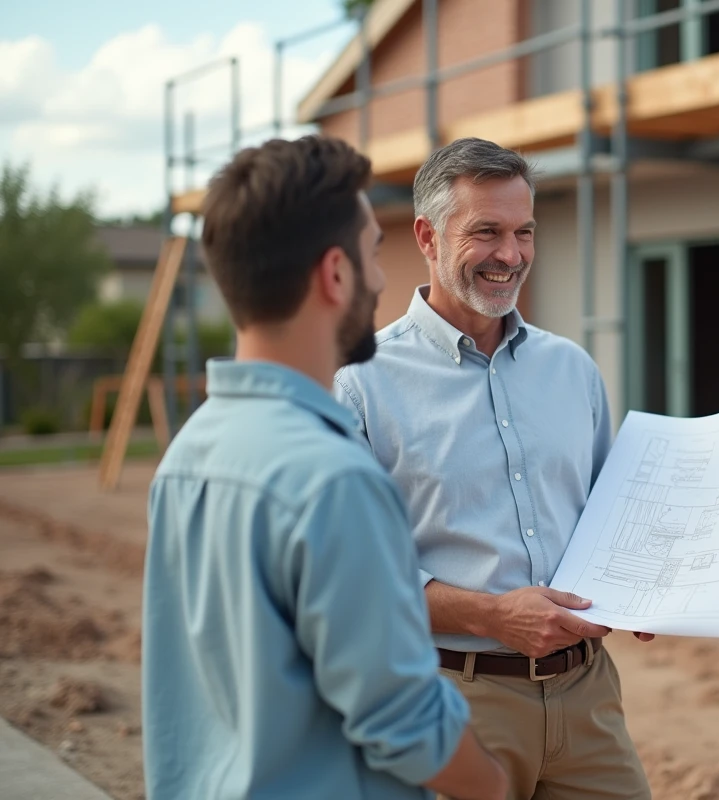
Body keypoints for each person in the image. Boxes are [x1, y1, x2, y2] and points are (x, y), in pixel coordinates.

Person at [142, 135, 507, 800]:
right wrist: (491, 786)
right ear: (335, 274)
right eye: (373, 252)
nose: (383, 277)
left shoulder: (188, 457)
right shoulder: (333, 479)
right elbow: (402, 719)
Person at [333, 136, 652, 800]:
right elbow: (349, 582)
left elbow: (606, 520)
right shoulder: (360, 384)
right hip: (450, 701)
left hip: (588, 695)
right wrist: (488, 615)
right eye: (487, 232)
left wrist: (650, 584)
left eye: (524, 232)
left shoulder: (573, 371)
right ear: (427, 235)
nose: (511, 255)